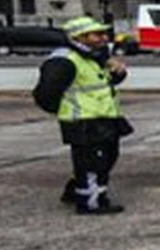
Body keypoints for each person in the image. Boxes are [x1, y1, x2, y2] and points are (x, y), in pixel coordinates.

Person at [31, 15, 134, 215]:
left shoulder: (93, 56)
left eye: (103, 34)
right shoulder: (65, 60)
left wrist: (118, 73)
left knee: (107, 157)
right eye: (96, 35)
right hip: (84, 121)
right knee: (92, 163)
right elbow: (45, 93)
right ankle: (91, 202)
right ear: (79, 37)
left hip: (103, 117)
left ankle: (77, 189)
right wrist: (65, 111)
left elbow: (100, 84)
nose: (103, 38)